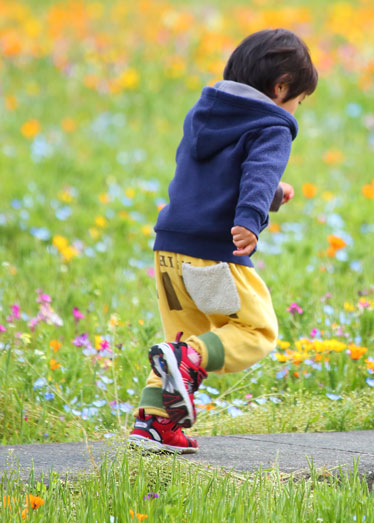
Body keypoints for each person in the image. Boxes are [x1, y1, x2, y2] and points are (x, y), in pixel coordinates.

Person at [129, 28, 317, 453]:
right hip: (213, 253)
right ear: (281, 87)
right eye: (299, 100)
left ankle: (154, 425)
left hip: (170, 248)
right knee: (255, 330)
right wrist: (252, 217)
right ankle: (187, 363)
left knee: (180, 343)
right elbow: (259, 171)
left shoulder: (205, 114)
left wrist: (271, 195)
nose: (296, 109)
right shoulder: (273, 125)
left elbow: (223, 174)